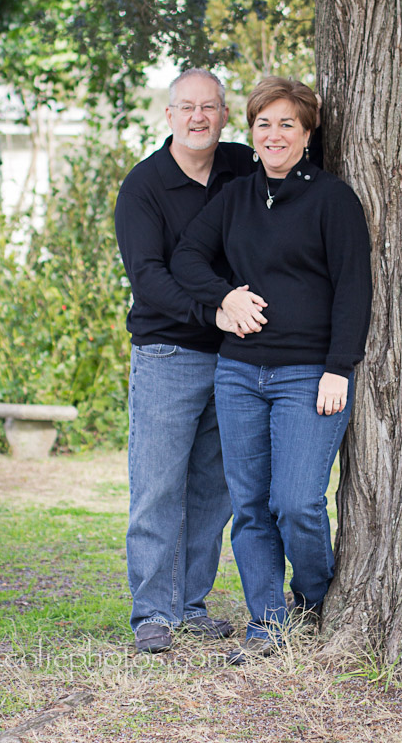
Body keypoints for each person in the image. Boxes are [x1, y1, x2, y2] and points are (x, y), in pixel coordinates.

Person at [171, 76, 372, 664]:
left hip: (309, 374)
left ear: (307, 134)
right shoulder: (234, 197)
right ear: (251, 132)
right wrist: (223, 298)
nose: (274, 134)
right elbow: (186, 256)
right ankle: (268, 623)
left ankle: (313, 596)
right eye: (264, 123)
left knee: (296, 502)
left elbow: (353, 288)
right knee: (251, 505)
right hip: (237, 373)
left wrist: (339, 366)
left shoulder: (333, 200)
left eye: (287, 123)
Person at [114, 67, 258, 654]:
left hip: (234, 357)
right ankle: (151, 610)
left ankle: (189, 603)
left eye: (210, 107)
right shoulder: (143, 187)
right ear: (168, 115)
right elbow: (148, 279)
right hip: (168, 352)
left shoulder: (242, 167)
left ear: (224, 115)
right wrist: (213, 314)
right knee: (156, 487)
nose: (198, 118)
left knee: (211, 490)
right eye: (186, 108)